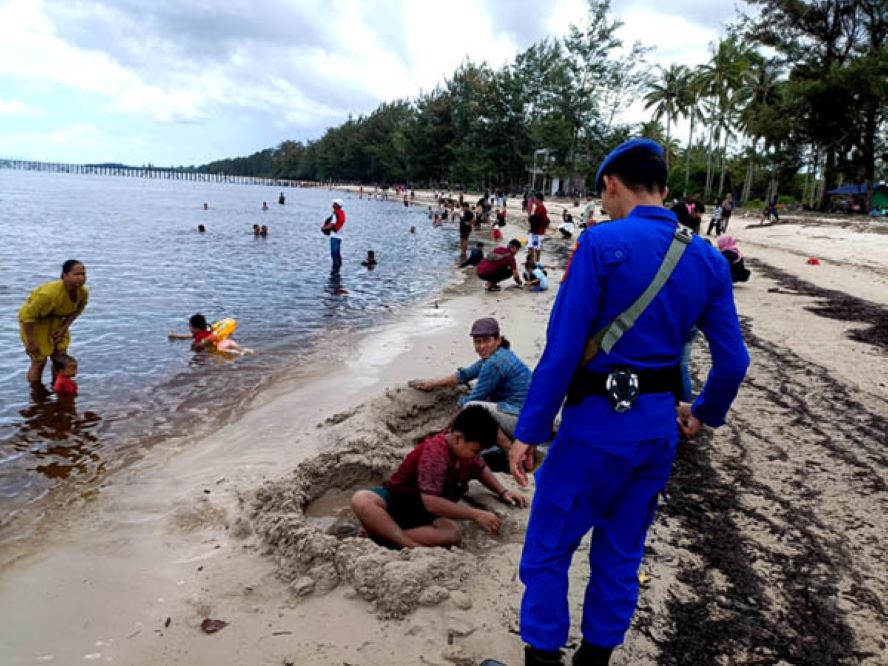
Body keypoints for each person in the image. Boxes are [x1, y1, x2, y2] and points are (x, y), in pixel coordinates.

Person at [507, 138, 749, 665]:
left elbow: (564, 349)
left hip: (593, 430)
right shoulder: (707, 258)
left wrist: (528, 431)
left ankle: (543, 659)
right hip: (657, 430)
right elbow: (733, 363)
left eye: (603, 196)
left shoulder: (599, 244)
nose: (604, 207)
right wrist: (703, 412)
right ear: (661, 186)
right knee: (620, 554)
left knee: (549, 550)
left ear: (612, 184)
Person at [350, 405, 528, 549]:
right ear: (458, 438)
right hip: (400, 501)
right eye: (475, 451)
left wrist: (503, 491)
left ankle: (384, 536)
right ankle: (404, 543)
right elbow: (431, 501)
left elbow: (480, 469)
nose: (477, 455)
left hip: (424, 514)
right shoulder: (435, 452)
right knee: (362, 500)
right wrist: (476, 514)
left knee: (452, 533)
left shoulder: (466, 453)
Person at [410, 317, 532, 472]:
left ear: (498, 340)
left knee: (473, 407)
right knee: (481, 405)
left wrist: (444, 433)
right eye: (477, 342)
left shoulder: (494, 363)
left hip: (522, 418)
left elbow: (472, 401)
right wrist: (432, 383)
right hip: (524, 414)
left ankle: (512, 454)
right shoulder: (497, 355)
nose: (481, 346)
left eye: (486, 341)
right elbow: (465, 375)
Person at [19, 260, 89, 386]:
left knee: (60, 357)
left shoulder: (83, 293)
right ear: (64, 275)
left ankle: (57, 386)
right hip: (35, 324)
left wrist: (64, 328)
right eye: (76, 274)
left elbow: (77, 310)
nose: (80, 278)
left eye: (83, 274)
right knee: (39, 360)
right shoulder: (48, 294)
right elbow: (27, 317)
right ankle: (37, 394)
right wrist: (31, 342)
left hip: (57, 322)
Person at [168, 314, 248, 354]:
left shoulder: (200, 337)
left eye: (190, 326)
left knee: (225, 350)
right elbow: (188, 336)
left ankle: (239, 353)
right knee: (237, 347)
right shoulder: (206, 331)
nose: (189, 328)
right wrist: (175, 335)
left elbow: (199, 344)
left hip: (220, 345)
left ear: (195, 328)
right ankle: (244, 350)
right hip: (226, 341)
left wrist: (194, 347)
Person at [321, 199, 346, 271]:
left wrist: (323, 228)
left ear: (337, 205)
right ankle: (339, 266)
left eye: (334, 203)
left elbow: (332, 224)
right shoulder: (342, 213)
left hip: (334, 236)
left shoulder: (335, 214)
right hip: (340, 236)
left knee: (333, 253)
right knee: (337, 252)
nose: (332, 204)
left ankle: (335, 268)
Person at [528, 194, 549, 264]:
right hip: (535, 231)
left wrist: (530, 218)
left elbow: (537, 221)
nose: (534, 200)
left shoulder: (542, 209)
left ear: (539, 199)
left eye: (535, 198)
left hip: (538, 232)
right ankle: (531, 262)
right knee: (531, 247)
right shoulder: (538, 208)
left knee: (536, 248)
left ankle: (536, 262)